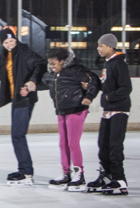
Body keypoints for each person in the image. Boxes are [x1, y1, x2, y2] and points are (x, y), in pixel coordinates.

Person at [0, 27, 47, 186]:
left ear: (16, 39)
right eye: (6, 42)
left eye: (11, 41)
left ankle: (26, 173)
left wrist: (32, 81)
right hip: (16, 99)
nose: (9, 44)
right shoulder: (3, 57)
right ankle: (24, 170)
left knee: (18, 136)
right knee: (17, 136)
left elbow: (41, 64)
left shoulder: (26, 53)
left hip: (25, 99)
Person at [23, 48, 100, 191]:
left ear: (63, 61)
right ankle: (66, 173)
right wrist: (30, 87)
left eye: (54, 64)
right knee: (63, 143)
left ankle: (79, 174)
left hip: (76, 109)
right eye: (50, 64)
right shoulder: (52, 75)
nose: (51, 67)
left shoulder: (76, 71)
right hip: (61, 111)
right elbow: (44, 83)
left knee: (73, 143)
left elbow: (94, 80)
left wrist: (89, 96)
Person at [87, 33, 132, 195]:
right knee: (103, 145)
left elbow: (126, 88)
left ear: (110, 46)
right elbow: (109, 84)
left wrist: (108, 97)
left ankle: (119, 179)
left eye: (101, 46)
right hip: (108, 111)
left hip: (119, 110)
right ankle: (106, 176)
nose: (98, 49)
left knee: (114, 146)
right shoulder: (108, 64)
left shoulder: (119, 64)